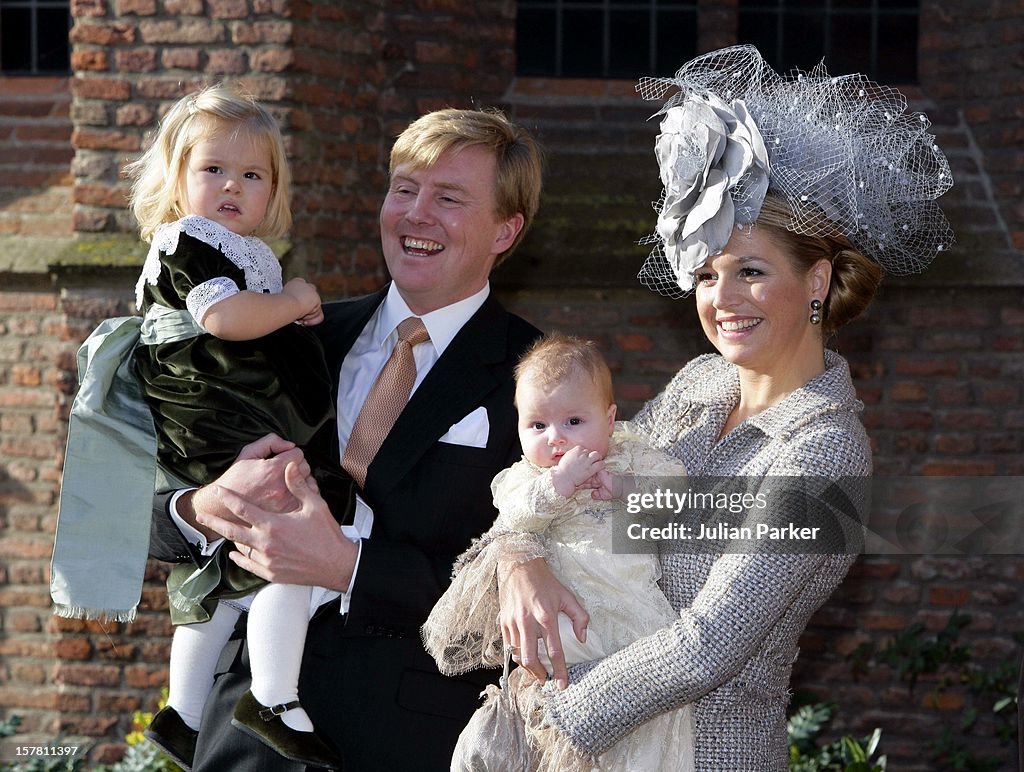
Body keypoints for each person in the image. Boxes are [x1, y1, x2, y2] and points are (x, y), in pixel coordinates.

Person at [490, 45, 955, 769]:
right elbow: (581, 493)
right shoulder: (698, 386)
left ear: (817, 281)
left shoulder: (828, 454)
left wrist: (553, 708)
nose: (721, 298)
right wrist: (519, 557)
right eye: (706, 273)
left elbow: (710, 645)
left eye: (751, 271)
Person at [147, 106, 545, 770]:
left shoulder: (540, 377)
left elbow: (545, 591)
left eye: (447, 199)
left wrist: (349, 569)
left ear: (505, 230)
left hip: (411, 741)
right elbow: (149, 504)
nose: (416, 215)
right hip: (241, 746)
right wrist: (198, 507)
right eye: (404, 189)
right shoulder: (284, 331)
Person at [55, 83, 343, 769]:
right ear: (178, 178)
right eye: (213, 170)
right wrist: (295, 299)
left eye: (253, 175)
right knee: (283, 556)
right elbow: (224, 320)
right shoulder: (191, 243)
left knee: (215, 576)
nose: (232, 187)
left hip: (223, 422)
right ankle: (273, 697)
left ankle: (183, 712)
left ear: (274, 189)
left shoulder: (238, 250)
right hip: (210, 420)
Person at [422, 333, 695, 771]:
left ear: (609, 420)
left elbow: (675, 495)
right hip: (560, 632)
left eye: (573, 421)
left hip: (631, 621)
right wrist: (557, 486)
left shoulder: (632, 458)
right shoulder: (525, 476)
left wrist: (623, 488)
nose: (556, 439)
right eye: (537, 426)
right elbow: (512, 517)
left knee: (641, 740)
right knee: (546, 724)